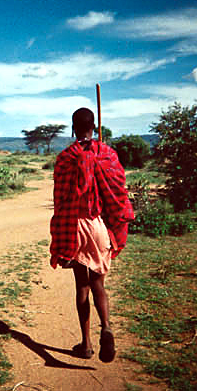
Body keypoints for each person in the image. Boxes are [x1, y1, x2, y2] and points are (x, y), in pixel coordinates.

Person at [49, 107, 134, 363]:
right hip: (97, 227)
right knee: (98, 283)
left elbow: (60, 198)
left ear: (73, 128)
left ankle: (86, 344)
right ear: (94, 126)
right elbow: (117, 191)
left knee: (81, 285)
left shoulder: (66, 158)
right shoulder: (107, 154)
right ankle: (106, 326)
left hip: (75, 226)